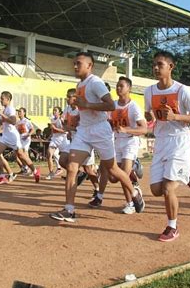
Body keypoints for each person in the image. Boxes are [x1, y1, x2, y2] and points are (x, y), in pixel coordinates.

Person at [50, 52, 144, 223]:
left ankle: (135, 193)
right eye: (74, 63)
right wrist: (80, 114)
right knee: (71, 166)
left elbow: (109, 104)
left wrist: (87, 105)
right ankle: (69, 210)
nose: (75, 66)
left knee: (113, 170)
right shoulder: (80, 85)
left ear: (89, 65)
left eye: (79, 63)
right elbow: (86, 108)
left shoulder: (95, 82)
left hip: (100, 130)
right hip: (84, 131)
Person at [144, 51, 190, 242]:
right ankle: (188, 175)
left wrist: (176, 116)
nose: (155, 68)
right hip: (161, 143)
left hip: (179, 141)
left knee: (169, 188)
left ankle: (172, 227)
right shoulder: (149, 91)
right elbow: (149, 114)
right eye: (154, 64)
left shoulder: (181, 90)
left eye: (160, 64)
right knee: (156, 189)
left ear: (171, 67)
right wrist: (150, 118)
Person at [94, 76, 148, 212]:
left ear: (129, 88)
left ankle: (130, 203)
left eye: (121, 86)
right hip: (117, 141)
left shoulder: (133, 106)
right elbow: (110, 123)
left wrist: (126, 129)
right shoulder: (113, 105)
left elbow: (143, 128)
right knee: (113, 177)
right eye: (117, 86)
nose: (118, 88)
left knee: (123, 173)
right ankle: (135, 168)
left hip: (130, 141)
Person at [58, 88, 100, 196]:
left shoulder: (81, 110)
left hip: (84, 140)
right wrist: (66, 127)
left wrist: (70, 128)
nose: (67, 99)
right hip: (74, 141)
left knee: (89, 169)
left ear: (74, 98)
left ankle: (98, 189)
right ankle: (79, 173)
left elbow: (81, 128)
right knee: (62, 160)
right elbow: (65, 122)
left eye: (69, 96)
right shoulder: (67, 108)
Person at [0, 91, 40, 185]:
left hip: (13, 136)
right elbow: (5, 121)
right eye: (0, 98)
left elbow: (13, 121)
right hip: (5, 136)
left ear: (8, 99)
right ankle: (2, 176)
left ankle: (35, 171)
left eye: (2, 98)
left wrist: (2, 115)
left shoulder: (11, 109)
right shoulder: (5, 110)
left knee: (21, 155)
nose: (0, 100)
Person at [46, 107, 66, 180]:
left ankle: (73, 172)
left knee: (67, 157)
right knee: (49, 154)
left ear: (59, 112)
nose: (54, 112)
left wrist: (55, 129)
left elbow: (65, 130)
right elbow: (53, 130)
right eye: (53, 110)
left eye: (55, 110)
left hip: (63, 139)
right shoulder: (52, 119)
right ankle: (51, 172)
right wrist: (50, 136)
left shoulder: (61, 119)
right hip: (54, 139)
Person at [15, 107, 35, 175]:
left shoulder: (26, 121)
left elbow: (32, 129)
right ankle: (25, 168)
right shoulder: (17, 122)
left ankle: (32, 170)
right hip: (20, 140)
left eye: (20, 111)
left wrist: (28, 134)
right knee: (18, 156)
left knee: (25, 154)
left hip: (26, 139)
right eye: (18, 112)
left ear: (24, 113)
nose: (19, 113)